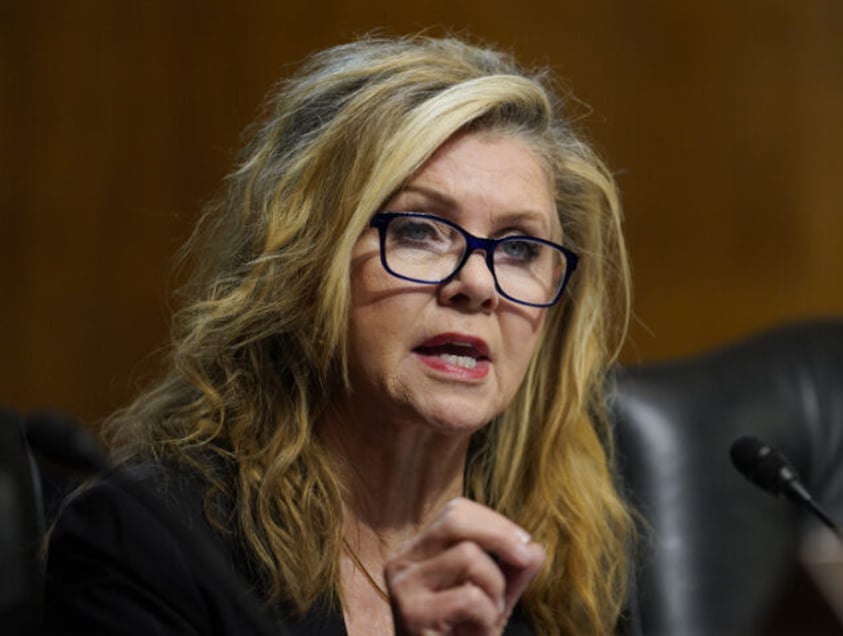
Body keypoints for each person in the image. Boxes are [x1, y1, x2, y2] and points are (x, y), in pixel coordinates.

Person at [43, 33, 636, 635]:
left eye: (518, 248)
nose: (478, 284)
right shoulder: (150, 542)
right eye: (419, 230)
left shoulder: (570, 566)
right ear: (305, 264)